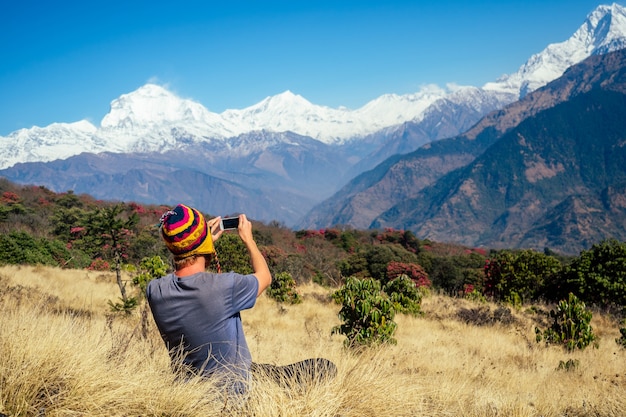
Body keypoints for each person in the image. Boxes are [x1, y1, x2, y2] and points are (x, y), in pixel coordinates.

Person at [146, 204, 335, 395]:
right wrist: (249, 240)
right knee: (323, 367)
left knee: (261, 369)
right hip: (233, 393)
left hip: (188, 392)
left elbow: (184, 277)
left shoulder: (154, 290)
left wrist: (201, 243)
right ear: (202, 243)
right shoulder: (225, 286)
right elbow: (264, 277)